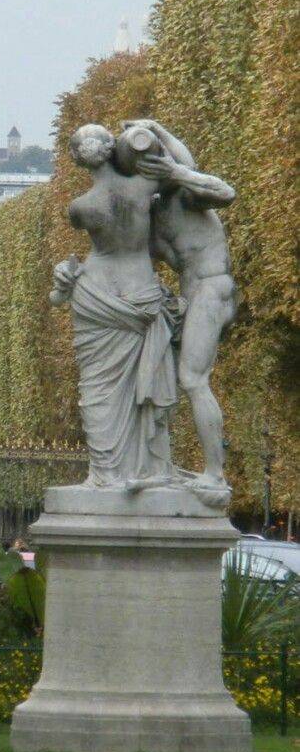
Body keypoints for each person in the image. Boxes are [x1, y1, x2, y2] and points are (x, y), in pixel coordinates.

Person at [51, 124, 181, 488]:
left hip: (95, 294)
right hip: (139, 291)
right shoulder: (143, 187)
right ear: (113, 147)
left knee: (96, 392)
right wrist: (158, 134)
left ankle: (105, 473)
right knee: (143, 391)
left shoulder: (79, 208)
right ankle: (147, 469)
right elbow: (181, 167)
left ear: (76, 159)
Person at [125, 119, 236, 491]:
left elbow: (226, 192)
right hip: (188, 297)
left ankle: (215, 474)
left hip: (211, 288)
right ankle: (159, 466)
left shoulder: (188, 194)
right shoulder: (154, 214)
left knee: (193, 379)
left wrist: (170, 157)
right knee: (158, 379)